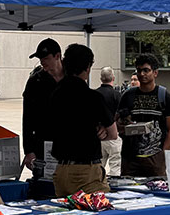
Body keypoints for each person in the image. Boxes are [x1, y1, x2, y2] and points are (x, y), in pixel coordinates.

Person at [50, 44, 117, 197]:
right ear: (87, 68)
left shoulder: (55, 95)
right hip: (87, 170)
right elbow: (113, 134)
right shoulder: (92, 97)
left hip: (61, 168)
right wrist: (100, 130)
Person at [117, 54, 170, 176]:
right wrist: (123, 126)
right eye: (139, 70)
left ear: (155, 73)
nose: (142, 74)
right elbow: (117, 122)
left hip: (155, 157)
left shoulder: (164, 96)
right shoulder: (128, 95)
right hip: (130, 157)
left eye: (146, 70)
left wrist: (162, 155)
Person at [22, 38, 64, 175]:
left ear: (57, 56)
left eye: (45, 58)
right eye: (40, 58)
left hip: (68, 145)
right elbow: (27, 118)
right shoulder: (36, 81)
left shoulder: (72, 77)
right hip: (42, 143)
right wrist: (28, 150)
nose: (42, 62)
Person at [96, 67, 122, 176]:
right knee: (115, 163)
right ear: (113, 78)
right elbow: (122, 114)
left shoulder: (95, 94)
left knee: (99, 165)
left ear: (101, 78)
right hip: (113, 134)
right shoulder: (117, 95)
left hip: (98, 135)